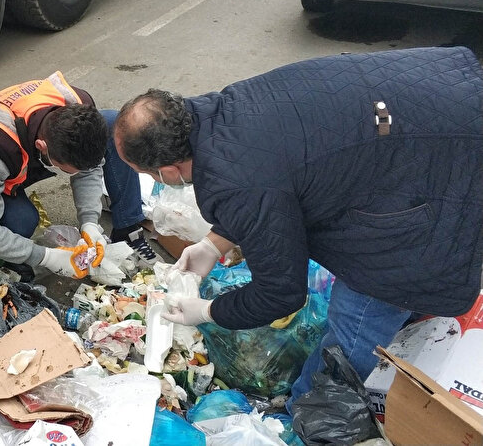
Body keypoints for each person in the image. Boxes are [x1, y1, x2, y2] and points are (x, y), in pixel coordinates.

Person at [112, 47, 483, 408]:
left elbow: (281, 295)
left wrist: (209, 311)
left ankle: (314, 415)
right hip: (439, 91)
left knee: (362, 310)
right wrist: (214, 243)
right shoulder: (224, 109)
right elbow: (278, 171)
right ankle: (404, 334)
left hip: (442, 154)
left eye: (148, 174)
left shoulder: (237, 181)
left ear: (170, 170)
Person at [0, 72, 161, 280]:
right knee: (21, 221)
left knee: (113, 122)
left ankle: (128, 230)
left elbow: (91, 167)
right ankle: (12, 260)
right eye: (70, 170)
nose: (78, 175)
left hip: (23, 149)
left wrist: (90, 223)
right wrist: (44, 256)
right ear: (42, 147)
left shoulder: (79, 107)